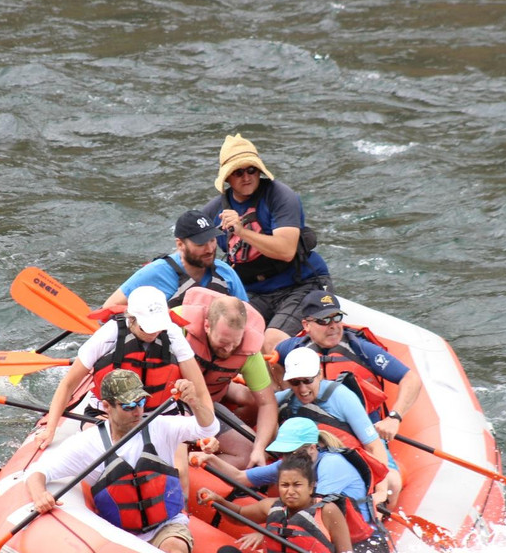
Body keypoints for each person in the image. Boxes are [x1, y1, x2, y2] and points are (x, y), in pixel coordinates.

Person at [25, 370, 219, 553]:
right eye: (128, 405)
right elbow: (39, 471)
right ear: (107, 406)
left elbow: (209, 428)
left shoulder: (160, 427)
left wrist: (194, 402)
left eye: (141, 402)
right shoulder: (88, 444)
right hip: (119, 533)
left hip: (166, 525)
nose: (137, 411)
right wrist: (40, 494)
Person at [194, 418, 393, 553]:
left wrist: (265, 534)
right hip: (326, 543)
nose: (289, 458)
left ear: (313, 448)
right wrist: (210, 459)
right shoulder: (292, 464)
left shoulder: (332, 465)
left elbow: (314, 515)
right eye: (285, 452)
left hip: (364, 547)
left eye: (294, 451)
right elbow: (241, 477)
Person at [276, 289, 420, 496]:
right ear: (306, 325)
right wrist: (282, 388)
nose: (333, 325)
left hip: (362, 432)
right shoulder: (292, 349)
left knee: (392, 484)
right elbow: (273, 362)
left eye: (337, 317)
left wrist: (394, 418)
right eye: (324, 320)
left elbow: (411, 379)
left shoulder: (361, 349)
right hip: (312, 433)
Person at [34, 285, 210, 451]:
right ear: (131, 319)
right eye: (146, 328)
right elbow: (68, 385)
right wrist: (50, 429)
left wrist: (207, 429)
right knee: (112, 449)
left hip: (160, 416)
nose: (154, 333)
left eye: (158, 327)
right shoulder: (108, 335)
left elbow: (200, 390)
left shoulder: (172, 333)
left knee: (178, 454)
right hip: (111, 415)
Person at [201, 134, 331, 353]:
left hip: (300, 285)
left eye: (251, 169)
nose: (246, 177)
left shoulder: (280, 196)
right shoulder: (212, 212)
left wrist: (241, 231)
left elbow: (286, 251)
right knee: (224, 334)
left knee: (270, 342)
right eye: (238, 172)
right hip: (254, 291)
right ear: (227, 178)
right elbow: (194, 255)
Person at [198, 449, 359, 553]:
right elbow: (239, 515)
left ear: (311, 486)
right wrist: (218, 500)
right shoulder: (272, 506)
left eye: (297, 485)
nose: (290, 491)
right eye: (284, 485)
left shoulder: (327, 511)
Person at [276, 346, 396, 507]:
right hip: (314, 465)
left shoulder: (342, 397)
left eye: (308, 380)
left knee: (393, 484)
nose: (302, 389)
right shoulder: (284, 399)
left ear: (319, 375)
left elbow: (374, 446)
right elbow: (260, 402)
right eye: (295, 382)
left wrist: (380, 491)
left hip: (352, 462)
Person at [177, 287, 277, 467]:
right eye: (223, 342)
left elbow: (267, 403)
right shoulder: (177, 325)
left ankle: (196, 465)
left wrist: (259, 448)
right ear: (207, 326)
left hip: (210, 401)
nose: (229, 349)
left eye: (235, 343)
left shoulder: (249, 350)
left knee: (248, 452)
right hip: (172, 402)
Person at [102, 210, 248, 310]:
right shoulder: (155, 272)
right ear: (180, 244)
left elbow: (249, 319)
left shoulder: (226, 273)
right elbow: (109, 308)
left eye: (212, 240)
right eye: (200, 244)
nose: (209, 249)